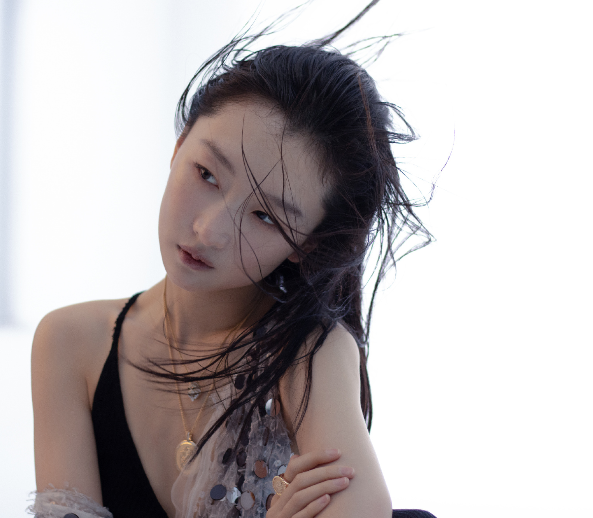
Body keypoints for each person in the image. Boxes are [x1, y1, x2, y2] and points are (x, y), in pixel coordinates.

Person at [29, 2, 431, 517]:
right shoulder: (71, 342)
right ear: (179, 145)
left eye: (265, 216)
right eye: (207, 174)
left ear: (307, 243)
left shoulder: (309, 354)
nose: (209, 230)